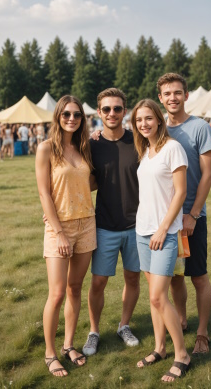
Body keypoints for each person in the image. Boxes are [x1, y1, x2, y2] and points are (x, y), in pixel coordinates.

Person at [35, 95, 97, 377]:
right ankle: (50, 353)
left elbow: (89, 182)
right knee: (57, 292)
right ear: (57, 117)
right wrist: (59, 232)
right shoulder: (46, 149)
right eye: (66, 114)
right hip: (59, 228)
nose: (71, 119)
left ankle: (69, 345)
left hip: (87, 224)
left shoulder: (84, 148)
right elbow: (44, 192)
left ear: (82, 119)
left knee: (75, 289)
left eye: (77, 115)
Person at [131, 99, 190, 382]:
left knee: (158, 296)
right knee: (154, 299)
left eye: (148, 118)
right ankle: (160, 348)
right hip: (142, 232)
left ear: (159, 119)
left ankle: (182, 354)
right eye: (139, 120)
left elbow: (180, 192)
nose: (144, 124)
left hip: (164, 233)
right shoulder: (145, 150)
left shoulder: (172, 148)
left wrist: (163, 229)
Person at [157, 73, 211, 355]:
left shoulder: (200, 127)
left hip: (192, 218)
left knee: (199, 276)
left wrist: (192, 214)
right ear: (160, 98)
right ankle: (182, 320)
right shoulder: (157, 129)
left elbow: (207, 176)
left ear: (186, 95)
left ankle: (202, 334)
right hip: (167, 219)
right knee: (175, 277)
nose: (172, 98)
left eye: (177, 92)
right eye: (167, 94)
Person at [82, 88, 140, 356]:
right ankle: (93, 331)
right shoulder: (91, 145)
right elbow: (77, 180)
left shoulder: (139, 141)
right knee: (98, 282)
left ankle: (124, 326)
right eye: (107, 109)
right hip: (104, 225)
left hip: (137, 225)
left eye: (117, 108)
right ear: (99, 113)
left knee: (132, 277)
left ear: (125, 111)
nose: (112, 113)